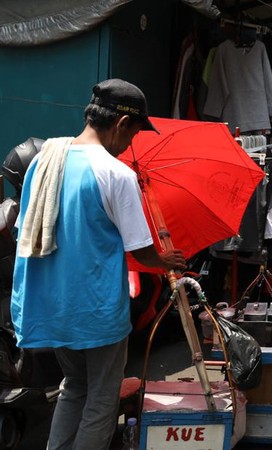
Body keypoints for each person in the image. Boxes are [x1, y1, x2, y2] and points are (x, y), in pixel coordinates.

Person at [10, 78, 187, 449]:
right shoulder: (116, 174)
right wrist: (167, 259)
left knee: (74, 387)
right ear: (122, 125)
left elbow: (25, 229)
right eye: (134, 134)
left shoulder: (43, 161)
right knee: (102, 400)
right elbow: (141, 252)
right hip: (97, 312)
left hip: (53, 306)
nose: (130, 145)